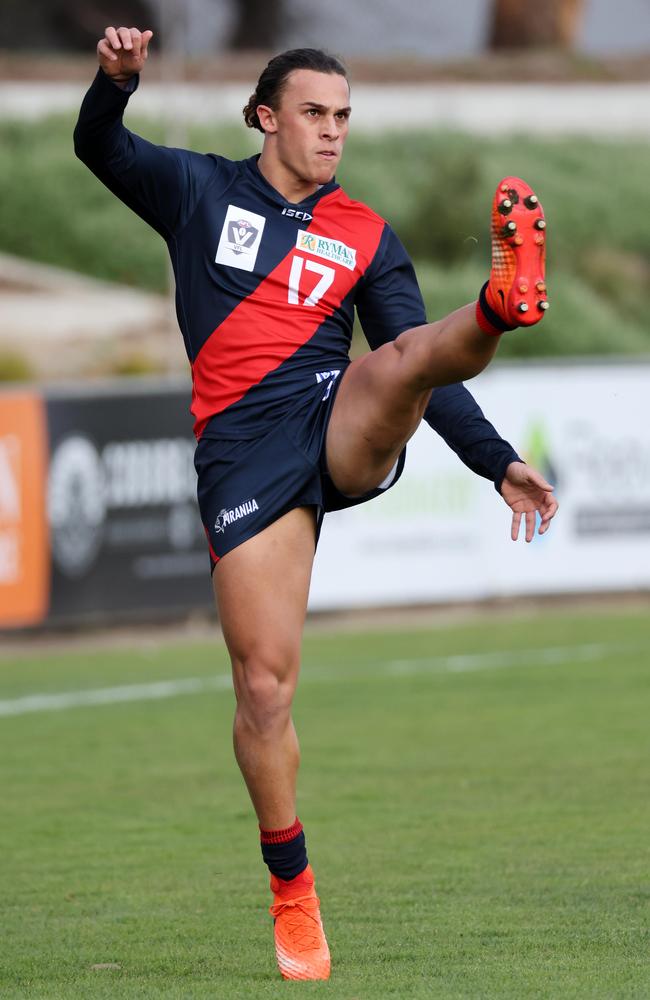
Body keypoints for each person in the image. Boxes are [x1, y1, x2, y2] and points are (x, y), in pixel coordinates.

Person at [75, 27, 558, 982]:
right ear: (266, 118)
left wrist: (496, 461)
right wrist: (114, 82)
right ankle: (291, 888)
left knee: (401, 359)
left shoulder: (367, 233)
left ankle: (502, 305)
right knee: (263, 691)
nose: (333, 132)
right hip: (242, 455)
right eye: (314, 113)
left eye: (343, 116)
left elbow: (422, 371)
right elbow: (100, 148)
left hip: (334, 413)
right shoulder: (197, 191)